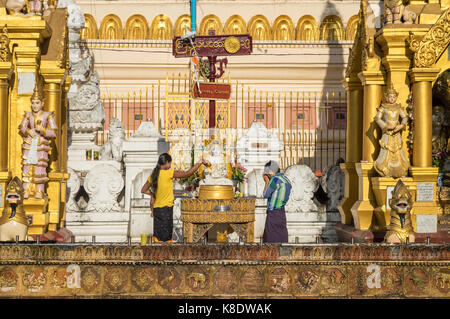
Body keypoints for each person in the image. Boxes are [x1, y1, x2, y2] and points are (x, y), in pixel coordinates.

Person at [141, 153, 207, 243]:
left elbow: (143, 190)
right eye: (170, 163)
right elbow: (187, 174)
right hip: (166, 209)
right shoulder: (169, 173)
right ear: (167, 162)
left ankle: (157, 255)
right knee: (166, 239)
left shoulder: (153, 175)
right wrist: (200, 162)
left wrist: (154, 194)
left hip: (157, 210)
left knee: (158, 238)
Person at [18, 86, 57, 199]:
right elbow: (21, 127)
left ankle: (39, 190)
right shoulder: (28, 115)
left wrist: (43, 130)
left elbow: (54, 132)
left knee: (40, 166)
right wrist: (28, 130)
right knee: (27, 166)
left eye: (37, 103)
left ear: (42, 103)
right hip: (30, 144)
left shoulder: (47, 115)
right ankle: (26, 189)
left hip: (41, 145)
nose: (35, 105)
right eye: (33, 103)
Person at [262, 160, 292, 243]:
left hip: (273, 213)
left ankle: (272, 255)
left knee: (271, 239)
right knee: (281, 236)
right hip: (281, 212)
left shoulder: (275, 179)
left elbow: (265, 194)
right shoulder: (286, 180)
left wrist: (267, 181)